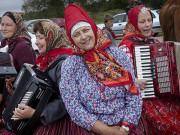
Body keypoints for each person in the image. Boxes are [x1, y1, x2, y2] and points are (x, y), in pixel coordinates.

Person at [59, 4, 142, 135]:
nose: (83, 37)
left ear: (93, 28)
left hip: (125, 124)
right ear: (71, 39)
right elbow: (73, 106)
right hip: (91, 128)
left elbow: (134, 93)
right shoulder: (70, 65)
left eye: (86, 30)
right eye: (76, 34)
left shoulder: (117, 55)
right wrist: (107, 131)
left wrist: (126, 127)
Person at [0, 21, 73, 135]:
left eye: (41, 38)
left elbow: (66, 101)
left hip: (57, 119)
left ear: (53, 39)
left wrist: (36, 112)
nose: (37, 42)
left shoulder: (64, 64)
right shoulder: (45, 60)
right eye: (36, 37)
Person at [119, 5, 180, 135]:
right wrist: (134, 81)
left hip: (162, 93)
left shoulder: (154, 41)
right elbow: (118, 76)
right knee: (169, 123)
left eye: (149, 20)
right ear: (134, 23)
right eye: (142, 22)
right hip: (143, 99)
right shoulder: (125, 46)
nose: (147, 25)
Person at [0, 11, 36, 127]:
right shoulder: (6, 43)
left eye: (8, 25)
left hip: (14, 105)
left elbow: (29, 80)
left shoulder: (22, 46)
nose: (3, 28)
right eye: (2, 24)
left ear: (18, 26)